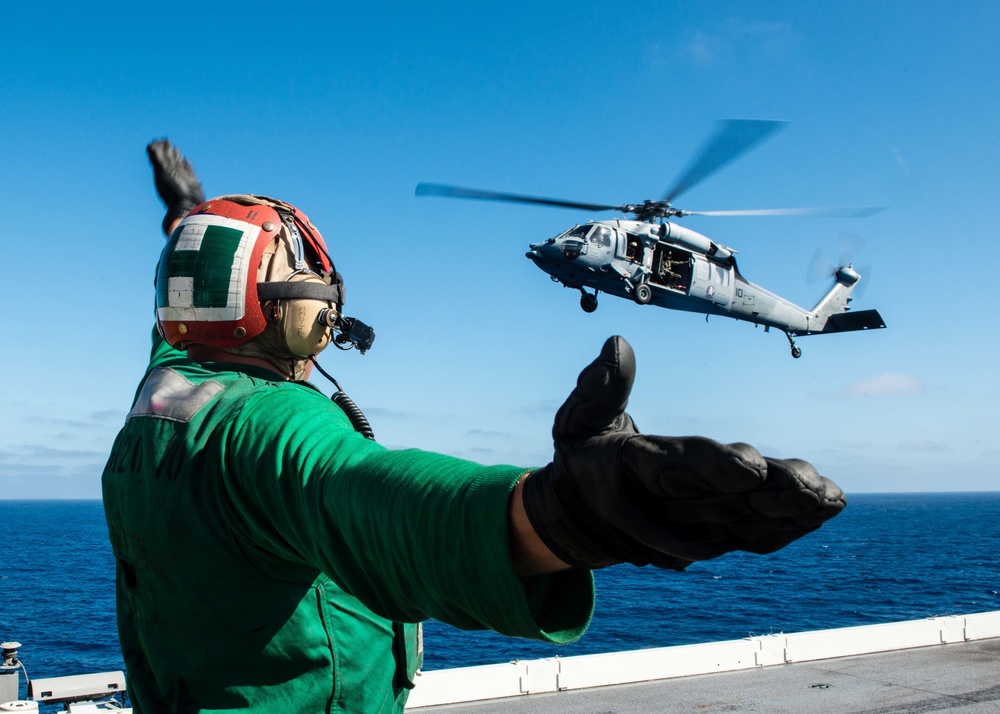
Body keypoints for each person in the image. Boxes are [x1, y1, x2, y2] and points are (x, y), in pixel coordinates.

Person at [101, 140, 846, 713]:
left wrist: (187, 214)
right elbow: (380, 501)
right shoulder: (266, 429)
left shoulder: (163, 387)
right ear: (297, 317)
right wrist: (561, 515)